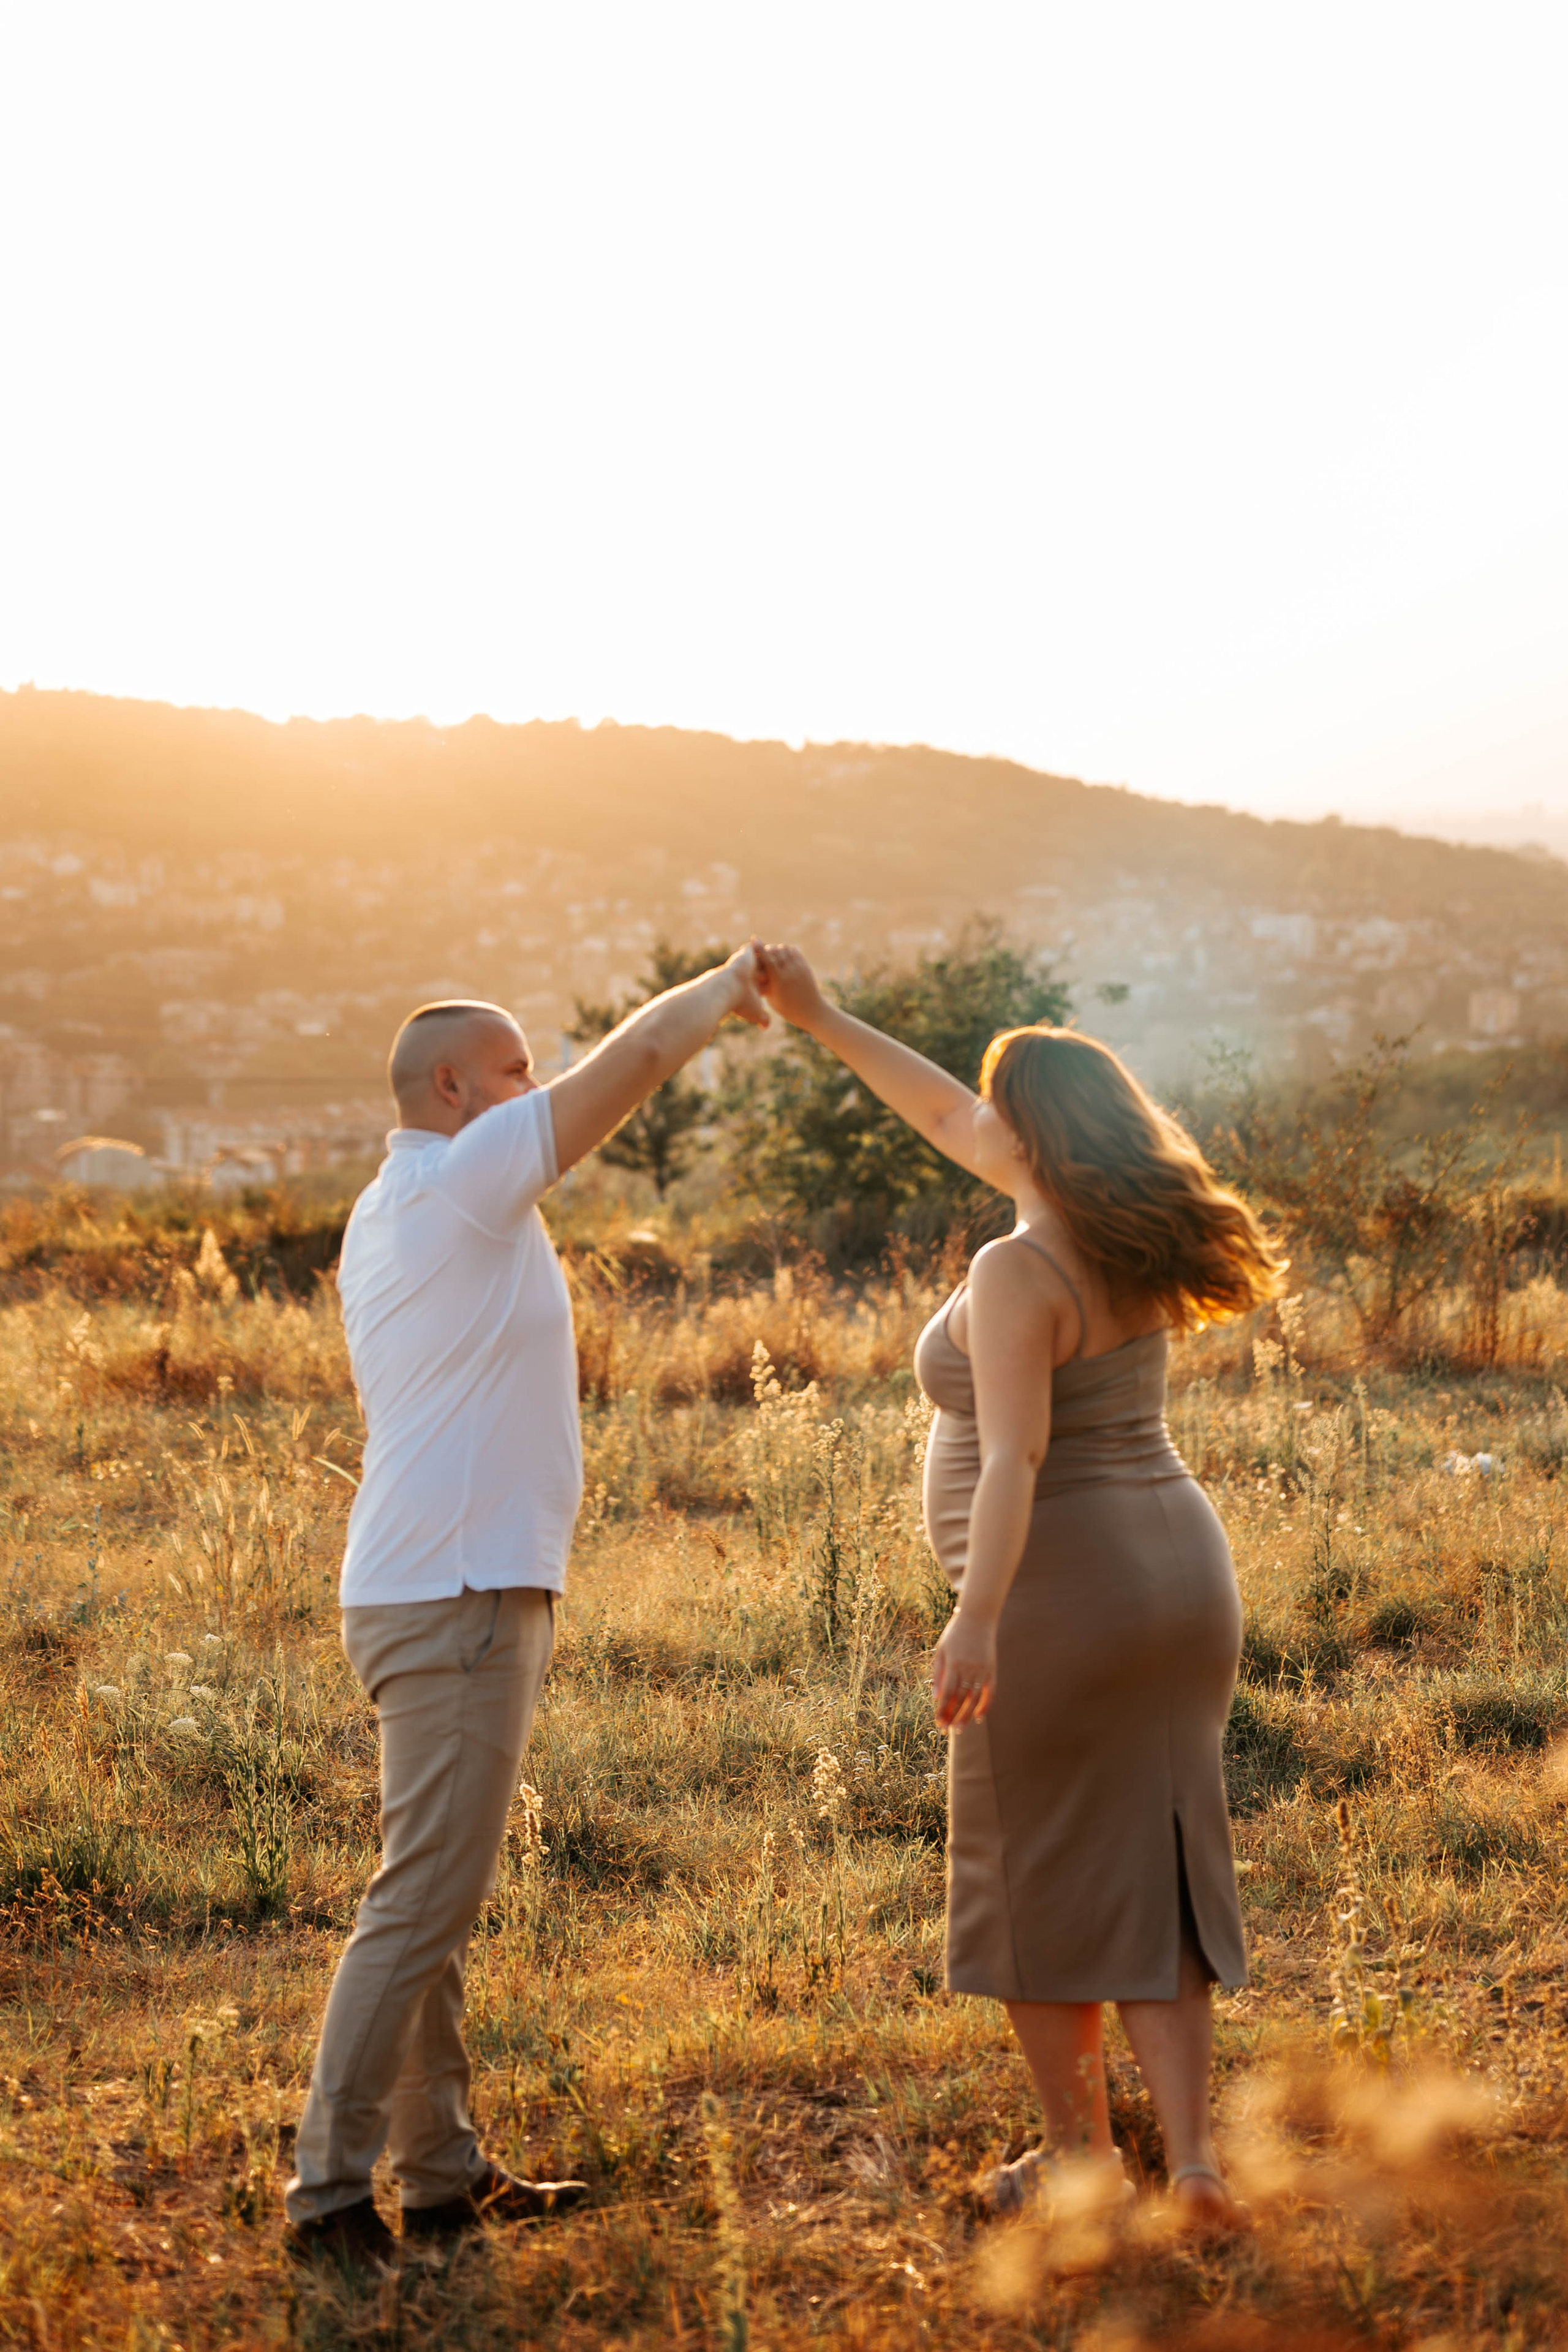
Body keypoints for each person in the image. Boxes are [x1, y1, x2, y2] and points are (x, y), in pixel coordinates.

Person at [754, 944, 1283, 2229]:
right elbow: (942, 1112)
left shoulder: (1018, 1266)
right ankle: (1195, 2168)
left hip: (1064, 1595)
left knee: (1036, 1875)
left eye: (995, 1107)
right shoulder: (1122, 1230)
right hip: (1181, 1577)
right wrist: (819, 1018)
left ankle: (1081, 2159)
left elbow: (1015, 1459)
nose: (972, 1119)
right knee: (1158, 1859)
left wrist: (976, 1616)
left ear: (1030, 1137)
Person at [283, 947, 769, 2266]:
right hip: (459, 1596)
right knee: (420, 1908)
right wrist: (726, 986)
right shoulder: (466, 1174)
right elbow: (640, 1060)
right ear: (450, 1089)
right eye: (513, 1069)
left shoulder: (395, 1201)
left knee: (427, 1899)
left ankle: (441, 2176)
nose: (534, 1085)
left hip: (426, 1587)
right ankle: (328, 2197)